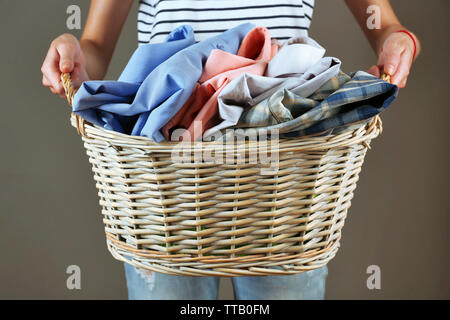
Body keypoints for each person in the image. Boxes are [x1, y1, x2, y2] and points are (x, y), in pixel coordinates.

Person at [41, 0, 420, 300]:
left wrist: (398, 40)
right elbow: (95, 47)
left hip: (282, 164)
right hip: (168, 167)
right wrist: (73, 53)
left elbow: (383, 25)